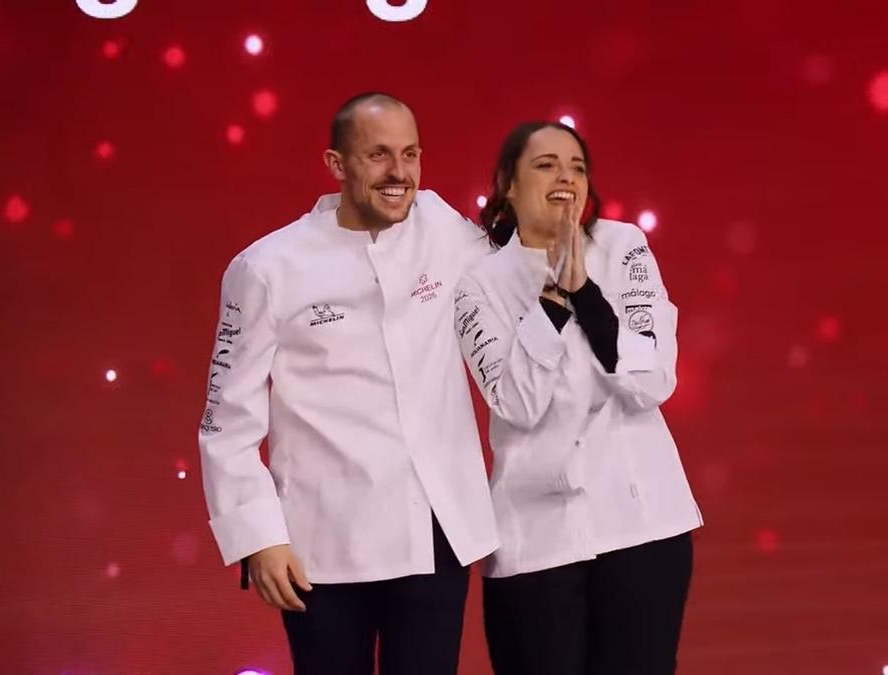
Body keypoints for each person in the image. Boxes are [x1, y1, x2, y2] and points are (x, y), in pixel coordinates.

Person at [198, 92, 497, 675]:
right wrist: (257, 538)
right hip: (320, 547)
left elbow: (514, 271)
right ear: (336, 164)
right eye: (379, 155)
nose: (399, 173)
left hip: (437, 533)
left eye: (410, 154)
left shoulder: (442, 227)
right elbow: (225, 422)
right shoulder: (265, 267)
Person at [453, 121, 703, 675]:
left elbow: (650, 381)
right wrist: (552, 302)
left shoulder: (623, 246)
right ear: (508, 185)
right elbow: (516, 403)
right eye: (545, 165)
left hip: (643, 528)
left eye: (577, 166)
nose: (565, 176)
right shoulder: (478, 285)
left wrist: (586, 293)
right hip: (534, 540)